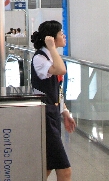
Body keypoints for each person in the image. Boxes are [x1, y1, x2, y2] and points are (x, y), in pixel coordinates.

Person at [31, 20, 76, 181]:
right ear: (51, 38)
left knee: (48, 166)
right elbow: (61, 70)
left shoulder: (51, 56)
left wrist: (65, 112)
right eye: (61, 33)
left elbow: (57, 89)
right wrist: (51, 47)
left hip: (53, 115)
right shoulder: (40, 58)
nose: (64, 36)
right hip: (45, 117)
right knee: (64, 170)